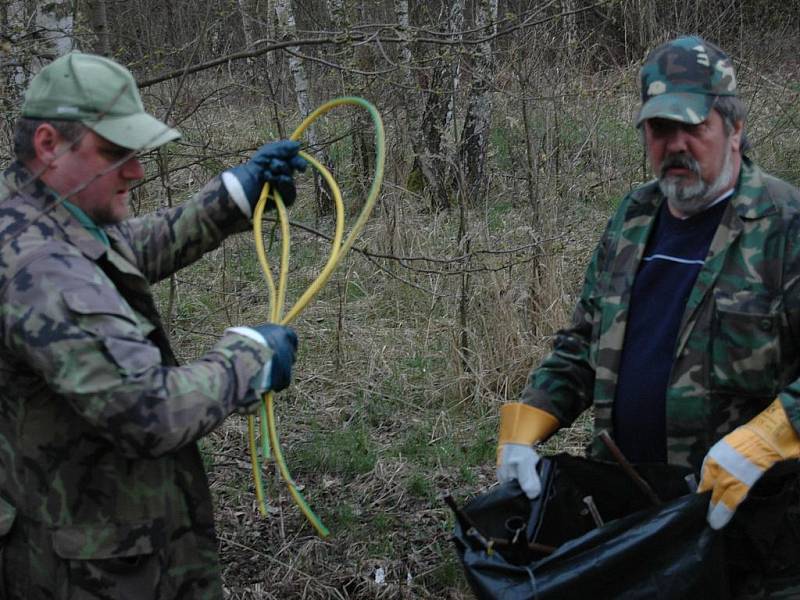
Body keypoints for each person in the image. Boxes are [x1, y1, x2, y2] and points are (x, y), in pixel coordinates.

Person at [497, 36, 800, 592]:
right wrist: (526, 424)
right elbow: (584, 341)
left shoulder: (786, 227)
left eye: (694, 127)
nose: (676, 144)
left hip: (750, 543)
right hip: (630, 528)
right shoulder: (634, 217)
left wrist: (768, 438)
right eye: (660, 129)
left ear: (733, 128)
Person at [0, 52, 308, 598]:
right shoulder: (39, 274)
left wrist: (232, 197)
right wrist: (251, 357)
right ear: (48, 145)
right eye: (116, 153)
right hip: (90, 573)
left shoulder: (31, 212)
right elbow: (149, 411)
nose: (137, 171)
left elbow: (114, 252)